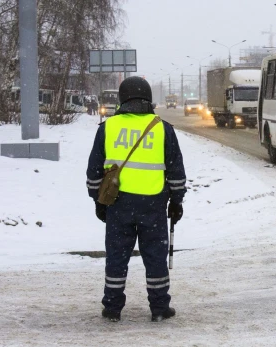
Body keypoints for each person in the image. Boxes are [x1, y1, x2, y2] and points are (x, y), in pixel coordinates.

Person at [85, 76, 187, 323]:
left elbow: (94, 173)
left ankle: (112, 308)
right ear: (148, 98)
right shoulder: (163, 129)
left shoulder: (108, 128)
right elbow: (175, 172)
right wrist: (176, 201)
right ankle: (160, 308)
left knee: (117, 258)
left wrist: (98, 201)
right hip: (153, 206)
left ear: (122, 98)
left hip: (119, 206)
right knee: (155, 259)